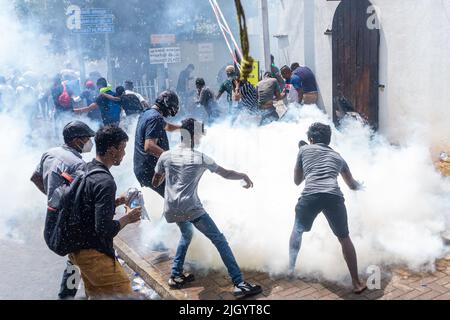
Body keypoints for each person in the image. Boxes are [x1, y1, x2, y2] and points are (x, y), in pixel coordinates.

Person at [152, 118, 263, 299]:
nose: (201, 138)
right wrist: (243, 175)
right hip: (191, 209)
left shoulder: (166, 156)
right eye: (200, 135)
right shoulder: (200, 158)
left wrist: (170, 178)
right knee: (219, 240)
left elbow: (155, 180)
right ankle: (239, 284)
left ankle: (175, 275)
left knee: (187, 234)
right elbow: (225, 173)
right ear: (194, 136)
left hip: (171, 209)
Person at [289, 123, 367, 294]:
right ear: (328, 140)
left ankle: (290, 270)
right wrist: (361, 186)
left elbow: (297, 180)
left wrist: (304, 156)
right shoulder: (338, 157)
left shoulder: (303, 150)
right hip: (334, 196)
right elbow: (352, 185)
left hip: (310, 196)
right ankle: (356, 283)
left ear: (310, 139)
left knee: (298, 230)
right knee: (344, 238)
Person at [69, 126, 142, 299]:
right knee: (124, 294)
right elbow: (104, 229)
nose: (124, 154)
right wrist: (128, 218)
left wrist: (116, 201)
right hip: (94, 254)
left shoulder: (86, 168)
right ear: (111, 150)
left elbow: (88, 206)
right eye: (122, 149)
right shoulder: (105, 181)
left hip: (78, 249)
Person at [30, 121, 96, 300]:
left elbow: (35, 178)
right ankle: (83, 293)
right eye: (87, 138)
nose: (90, 141)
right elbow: (81, 199)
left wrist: (52, 195)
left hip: (51, 214)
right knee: (78, 258)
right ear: (76, 141)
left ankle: (66, 295)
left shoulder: (49, 153)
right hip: (68, 220)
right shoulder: (78, 164)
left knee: (73, 258)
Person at [133, 90, 181, 197]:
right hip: (150, 169)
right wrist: (172, 158)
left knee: (173, 197)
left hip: (142, 168)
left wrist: (184, 128)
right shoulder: (155, 118)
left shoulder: (148, 113)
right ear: (166, 104)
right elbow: (149, 146)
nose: (170, 113)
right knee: (177, 198)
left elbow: (167, 127)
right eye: (171, 109)